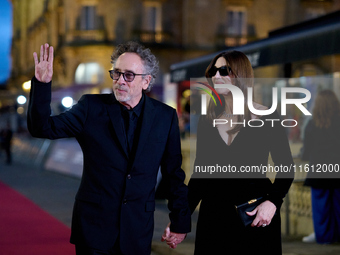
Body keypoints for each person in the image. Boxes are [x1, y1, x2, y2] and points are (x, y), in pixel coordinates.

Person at [27, 42, 190, 255]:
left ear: (146, 81)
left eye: (129, 75)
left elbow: (173, 174)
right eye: (117, 73)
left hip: (137, 230)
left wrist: (180, 221)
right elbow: (42, 128)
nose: (120, 81)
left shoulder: (165, 117)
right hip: (94, 229)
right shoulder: (90, 108)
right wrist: (41, 84)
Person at [183, 51, 294, 254]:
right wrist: (180, 221)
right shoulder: (207, 121)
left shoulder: (267, 116)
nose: (216, 76)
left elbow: (286, 168)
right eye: (213, 71)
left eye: (224, 70)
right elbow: (200, 176)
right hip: (214, 217)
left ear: (241, 75)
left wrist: (272, 203)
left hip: (254, 216)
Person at [301, 90, 340, 244]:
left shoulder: (312, 124)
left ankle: (324, 238)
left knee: (321, 210)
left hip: (318, 173)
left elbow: (306, 152)